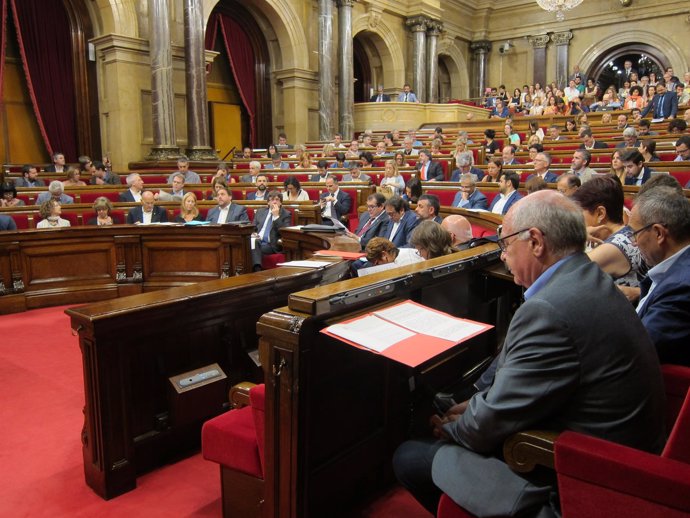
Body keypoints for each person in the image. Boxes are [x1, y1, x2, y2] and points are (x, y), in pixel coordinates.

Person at [393, 189, 665, 517]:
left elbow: (484, 429)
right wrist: (476, 407)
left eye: (505, 245)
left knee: (410, 456)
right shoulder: (591, 278)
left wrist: (449, 427)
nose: (504, 258)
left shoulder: (549, 309)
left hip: (583, 481)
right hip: (622, 452)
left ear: (535, 241)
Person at [631, 187, 690, 365]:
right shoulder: (672, 269)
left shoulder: (681, 288)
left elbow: (636, 349)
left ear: (658, 233)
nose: (634, 242)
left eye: (635, 233)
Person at [572, 176, 647, 294]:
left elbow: (563, 274)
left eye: (579, 213)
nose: (577, 219)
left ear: (600, 213)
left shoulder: (615, 246)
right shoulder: (626, 232)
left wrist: (576, 237)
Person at [250, 190, 292, 271]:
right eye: (272, 199)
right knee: (253, 243)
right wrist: (254, 233)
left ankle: (257, 270)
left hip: (272, 244)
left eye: (277, 199)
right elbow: (253, 227)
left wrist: (276, 216)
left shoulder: (286, 214)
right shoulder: (260, 212)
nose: (274, 202)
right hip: (258, 241)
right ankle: (257, 268)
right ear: (268, 203)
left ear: (281, 203)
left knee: (252, 248)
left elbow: (285, 232)